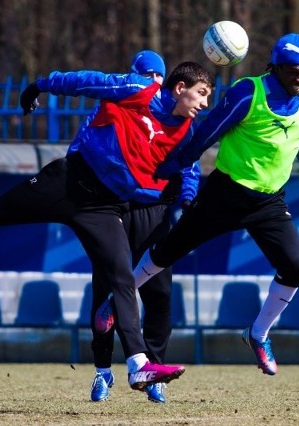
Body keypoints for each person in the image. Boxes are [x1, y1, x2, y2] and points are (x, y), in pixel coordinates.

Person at [0, 60, 214, 391]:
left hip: (104, 208)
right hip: (66, 183)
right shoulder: (139, 90)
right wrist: (41, 85)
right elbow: (86, 81)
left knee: (122, 277)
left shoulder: (185, 132)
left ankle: (138, 366)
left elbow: (190, 168)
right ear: (180, 88)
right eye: (202, 93)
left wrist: (187, 200)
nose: (205, 102)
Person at [97, 33, 299, 376]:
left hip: (269, 203)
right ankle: (118, 298)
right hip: (225, 194)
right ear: (277, 67)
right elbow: (206, 134)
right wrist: (170, 167)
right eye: (295, 70)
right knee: (169, 250)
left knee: (296, 267)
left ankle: (258, 333)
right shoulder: (248, 92)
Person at [89, 51, 200, 403]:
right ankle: (102, 372)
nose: (151, 81)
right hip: (114, 211)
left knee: (159, 295)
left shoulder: (179, 119)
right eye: (145, 75)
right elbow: (92, 145)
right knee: (106, 292)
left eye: (156, 76)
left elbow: (190, 165)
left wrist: (187, 198)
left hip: (156, 214)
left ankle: (155, 372)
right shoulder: (120, 104)